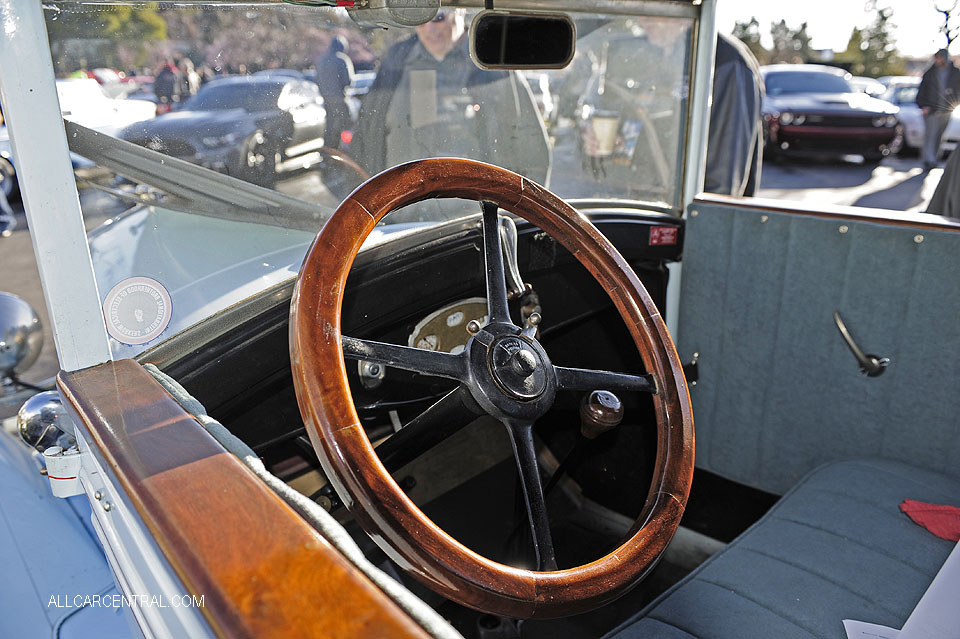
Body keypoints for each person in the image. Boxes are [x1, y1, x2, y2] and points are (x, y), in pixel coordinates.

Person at [351, 8, 550, 191]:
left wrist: (521, 212)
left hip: (477, 212)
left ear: (460, 10)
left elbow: (533, 151)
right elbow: (365, 140)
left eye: (438, 16)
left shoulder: (493, 64)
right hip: (406, 212)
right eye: (419, 17)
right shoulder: (395, 64)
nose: (429, 27)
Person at [704, 33, 764, 197]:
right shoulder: (665, 48)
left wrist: (710, 208)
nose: (645, 22)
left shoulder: (724, 58)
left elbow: (724, 178)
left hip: (697, 205)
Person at [916, 48, 960, 170]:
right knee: (930, 135)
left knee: (939, 135)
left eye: (939, 57)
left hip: (946, 109)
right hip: (931, 109)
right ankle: (928, 160)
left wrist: (955, 102)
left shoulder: (955, 72)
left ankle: (934, 158)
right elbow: (922, 90)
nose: (937, 60)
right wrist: (923, 105)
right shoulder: (930, 72)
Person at [316, 34, 355, 150]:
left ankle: (328, 149)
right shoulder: (342, 59)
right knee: (345, 125)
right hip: (340, 98)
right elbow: (348, 81)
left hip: (326, 99)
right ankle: (344, 149)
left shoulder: (322, 60)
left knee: (329, 125)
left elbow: (317, 80)